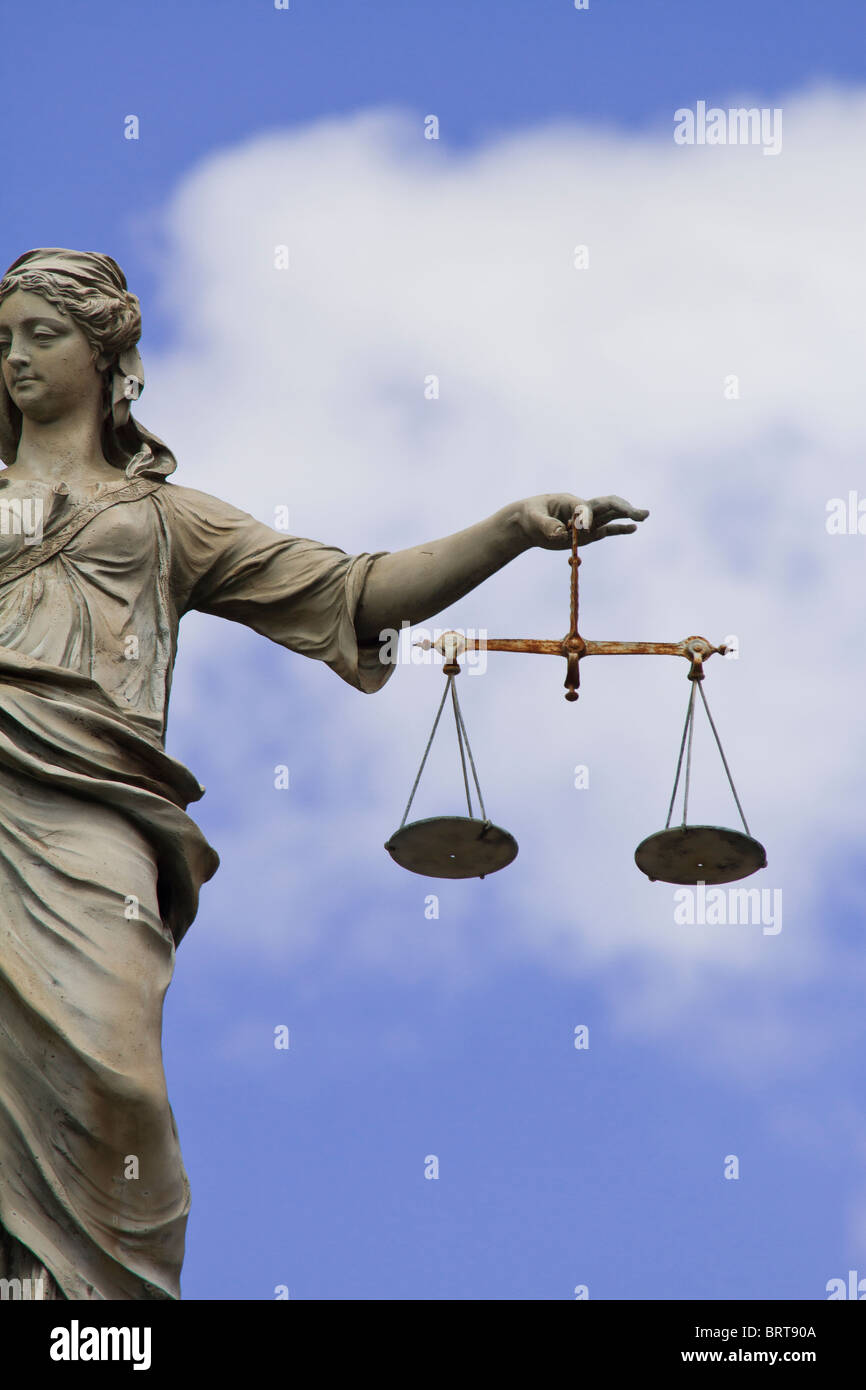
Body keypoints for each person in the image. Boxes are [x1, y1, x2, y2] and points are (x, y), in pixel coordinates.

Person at [0, 247, 647, 1300]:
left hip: (93, 812)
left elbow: (358, 590)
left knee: (116, 1088)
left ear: (107, 352)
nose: (17, 358)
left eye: (42, 334)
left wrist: (507, 532)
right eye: (4, 340)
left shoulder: (169, 519)